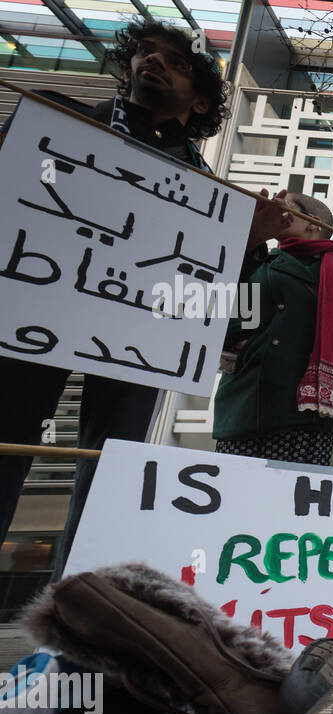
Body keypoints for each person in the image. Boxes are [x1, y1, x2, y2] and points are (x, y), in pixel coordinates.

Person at [0, 17, 289, 577]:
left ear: (202, 100)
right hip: (30, 313)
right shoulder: (58, 119)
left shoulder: (215, 195)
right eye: (146, 52)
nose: (153, 61)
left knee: (114, 470)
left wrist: (250, 240)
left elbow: (221, 303)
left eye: (176, 61)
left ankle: (82, 605)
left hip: (141, 342)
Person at [213, 193, 333, 465]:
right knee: (234, 492)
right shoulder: (256, 259)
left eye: (286, 208)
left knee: (294, 498)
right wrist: (241, 343)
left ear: (313, 223)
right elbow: (217, 292)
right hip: (250, 401)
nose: (276, 210)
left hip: (309, 415)